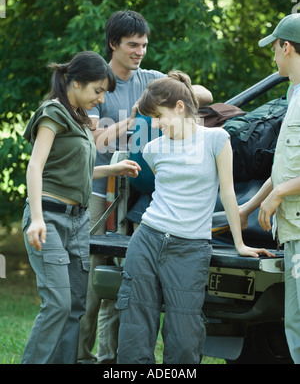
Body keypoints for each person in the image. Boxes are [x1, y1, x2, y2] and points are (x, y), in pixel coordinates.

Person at [77, 10, 213, 364]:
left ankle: (111, 357)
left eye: (144, 45)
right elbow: (95, 141)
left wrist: (170, 95)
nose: (140, 52)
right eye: (133, 45)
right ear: (113, 44)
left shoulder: (151, 78)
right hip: (101, 189)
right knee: (94, 276)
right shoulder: (98, 82)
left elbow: (202, 94)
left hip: (138, 191)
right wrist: (137, 114)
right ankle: (79, 354)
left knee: (127, 278)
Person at [116, 71, 274, 364]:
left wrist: (239, 243)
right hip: (147, 239)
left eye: (159, 116)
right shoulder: (153, 148)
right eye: (151, 118)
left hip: (190, 248)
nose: (156, 124)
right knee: (135, 325)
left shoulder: (216, 139)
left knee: (185, 333)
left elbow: (227, 194)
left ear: (179, 107)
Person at [21, 51, 140, 364]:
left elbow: (77, 172)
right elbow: (35, 166)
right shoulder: (53, 113)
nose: (101, 100)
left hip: (77, 222)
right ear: (75, 83)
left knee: (75, 306)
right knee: (58, 304)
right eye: (97, 91)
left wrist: (112, 170)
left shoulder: (79, 119)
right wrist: (35, 219)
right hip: (48, 218)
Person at [239, 13, 300, 364]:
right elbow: (285, 169)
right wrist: (250, 206)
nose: (273, 56)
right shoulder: (294, 95)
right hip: (293, 230)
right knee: (294, 321)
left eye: (274, 47)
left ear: (286, 46)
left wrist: (278, 195)